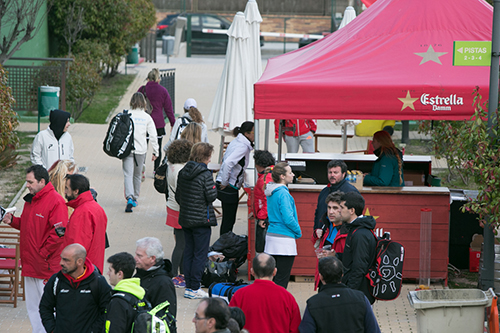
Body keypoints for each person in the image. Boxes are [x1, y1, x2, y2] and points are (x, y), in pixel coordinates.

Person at [1, 165, 67, 333]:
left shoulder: (55, 201)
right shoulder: (31, 200)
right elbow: (28, 225)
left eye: (30, 182)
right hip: (30, 265)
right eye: (26, 182)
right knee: (33, 307)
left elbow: (59, 233)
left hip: (45, 267)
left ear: (42, 181)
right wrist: (12, 221)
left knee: (48, 307)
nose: (27, 185)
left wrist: (42, 254)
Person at [176, 142, 217, 299]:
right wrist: (215, 187)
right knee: (200, 254)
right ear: (205, 156)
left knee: (189, 252)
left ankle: (189, 286)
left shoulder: (183, 171)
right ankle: (194, 288)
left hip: (186, 218)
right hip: (201, 220)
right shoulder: (205, 174)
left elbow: (178, 195)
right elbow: (211, 196)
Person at [39, 244, 112, 333]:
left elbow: (107, 310)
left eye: (66, 260)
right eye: (61, 258)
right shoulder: (56, 280)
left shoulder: (98, 282)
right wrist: (52, 329)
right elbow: (45, 307)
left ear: (79, 262)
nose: (61, 263)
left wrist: (95, 330)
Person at [299, 256, 381, 333]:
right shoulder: (360, 298)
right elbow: (373, 329)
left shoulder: (313, 303)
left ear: (320, 277)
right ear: (342, 274)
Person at [229, 253, 301, 333]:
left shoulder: (239, 295)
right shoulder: (287, 297)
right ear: (274, 271)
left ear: (252, 272)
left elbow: (230, 325)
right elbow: (296, 329)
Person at [263, 162, 302, 289]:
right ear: (282, 176)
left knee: (270, 278)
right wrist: (298, 231)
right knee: (282, 279)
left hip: (271, 237)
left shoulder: (271, 192)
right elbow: (288, 218)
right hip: (284, 240)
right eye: (290, 172)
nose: (293, 174)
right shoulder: (284, 193)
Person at [63, 174, 108, 273]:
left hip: (82, 271)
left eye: (67, 188)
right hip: (94, 266)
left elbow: (77, 247)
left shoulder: (81, 213)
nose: (65, 192)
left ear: (76, 191)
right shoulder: (96, 208)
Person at [216, 121, 254, 236]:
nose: (255, 135)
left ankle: (224, 241)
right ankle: (224, 244)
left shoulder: (237, 141)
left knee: (228, 218)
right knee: (229, 219)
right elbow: (227, 163)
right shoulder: (242, 147)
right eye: (254, 132)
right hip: (229, 186)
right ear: (247, 134)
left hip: (226, 183)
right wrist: (225, 182)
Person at [338, 191, 377, 304]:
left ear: (352, 210)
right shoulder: (355, 229)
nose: (339, 210)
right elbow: (352, 258)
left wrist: (349, 293)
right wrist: (335, 255)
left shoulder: (360, 234)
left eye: (342, 207)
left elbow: (359, 267)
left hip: (359, 294)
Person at [123, 92, 159, 213]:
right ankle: (135, 197)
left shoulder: (127, 114)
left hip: (128, 149)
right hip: (140, 150)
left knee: (128, 174)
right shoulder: (147, 117)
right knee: (137, 175)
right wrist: (156, 151)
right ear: (143, 103)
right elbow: (153, 135)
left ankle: (128, 196)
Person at [165, 139, 193, 287]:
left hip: (173, 207)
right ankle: (175, 275)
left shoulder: (171, 166)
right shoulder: (180, 170)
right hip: (179, 208)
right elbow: (182, 191)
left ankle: (180, 273)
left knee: (181, 242)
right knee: (181, 244)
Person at [138, 68, 175, 171]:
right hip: (158, 124)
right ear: (158, 79)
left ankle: (141, 168)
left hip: (143, 123)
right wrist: (173, 123)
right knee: (157, 146)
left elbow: (135, 105)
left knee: (142, 146)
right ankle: (156, 170)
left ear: (148, 79)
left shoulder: (142, 90)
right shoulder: (163, 91)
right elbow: (168, 109)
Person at [311, 191, 348, 291]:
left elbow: (350, 259)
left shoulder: (348, 230)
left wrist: (335, 256)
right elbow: (317, 244)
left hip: (340, 282)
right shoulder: (326, 223)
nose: (331, 212)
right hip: (324, 277)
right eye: (329, 207)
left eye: (335, 208)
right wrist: (315, 235)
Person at [133, 237, 177, 318]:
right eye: (136, 254)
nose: (135, 258)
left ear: (152, 259)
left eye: (139, 256)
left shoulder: (163, 283)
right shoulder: (140, 274)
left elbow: (167, 317)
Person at [105, 252, 146, 333]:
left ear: (120, 274)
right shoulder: (140, 294)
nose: (108, 273)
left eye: (110, 270)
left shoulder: (118, 302)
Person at [313, 159, 359, 231]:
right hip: (323, 235)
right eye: (330, 172)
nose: (332, 175)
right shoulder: (324, 192)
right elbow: (318, 214)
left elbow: (355, 217)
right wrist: (316, 229)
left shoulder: (351, 192)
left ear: (343, 174)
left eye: (335, 172)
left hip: (342, 236)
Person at [253, 150, 276, 252]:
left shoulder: (265, 179)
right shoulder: (271, 175)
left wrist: (261, 217)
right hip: (267, 216)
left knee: (262, 249)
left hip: (266, 219)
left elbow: (267, 200)